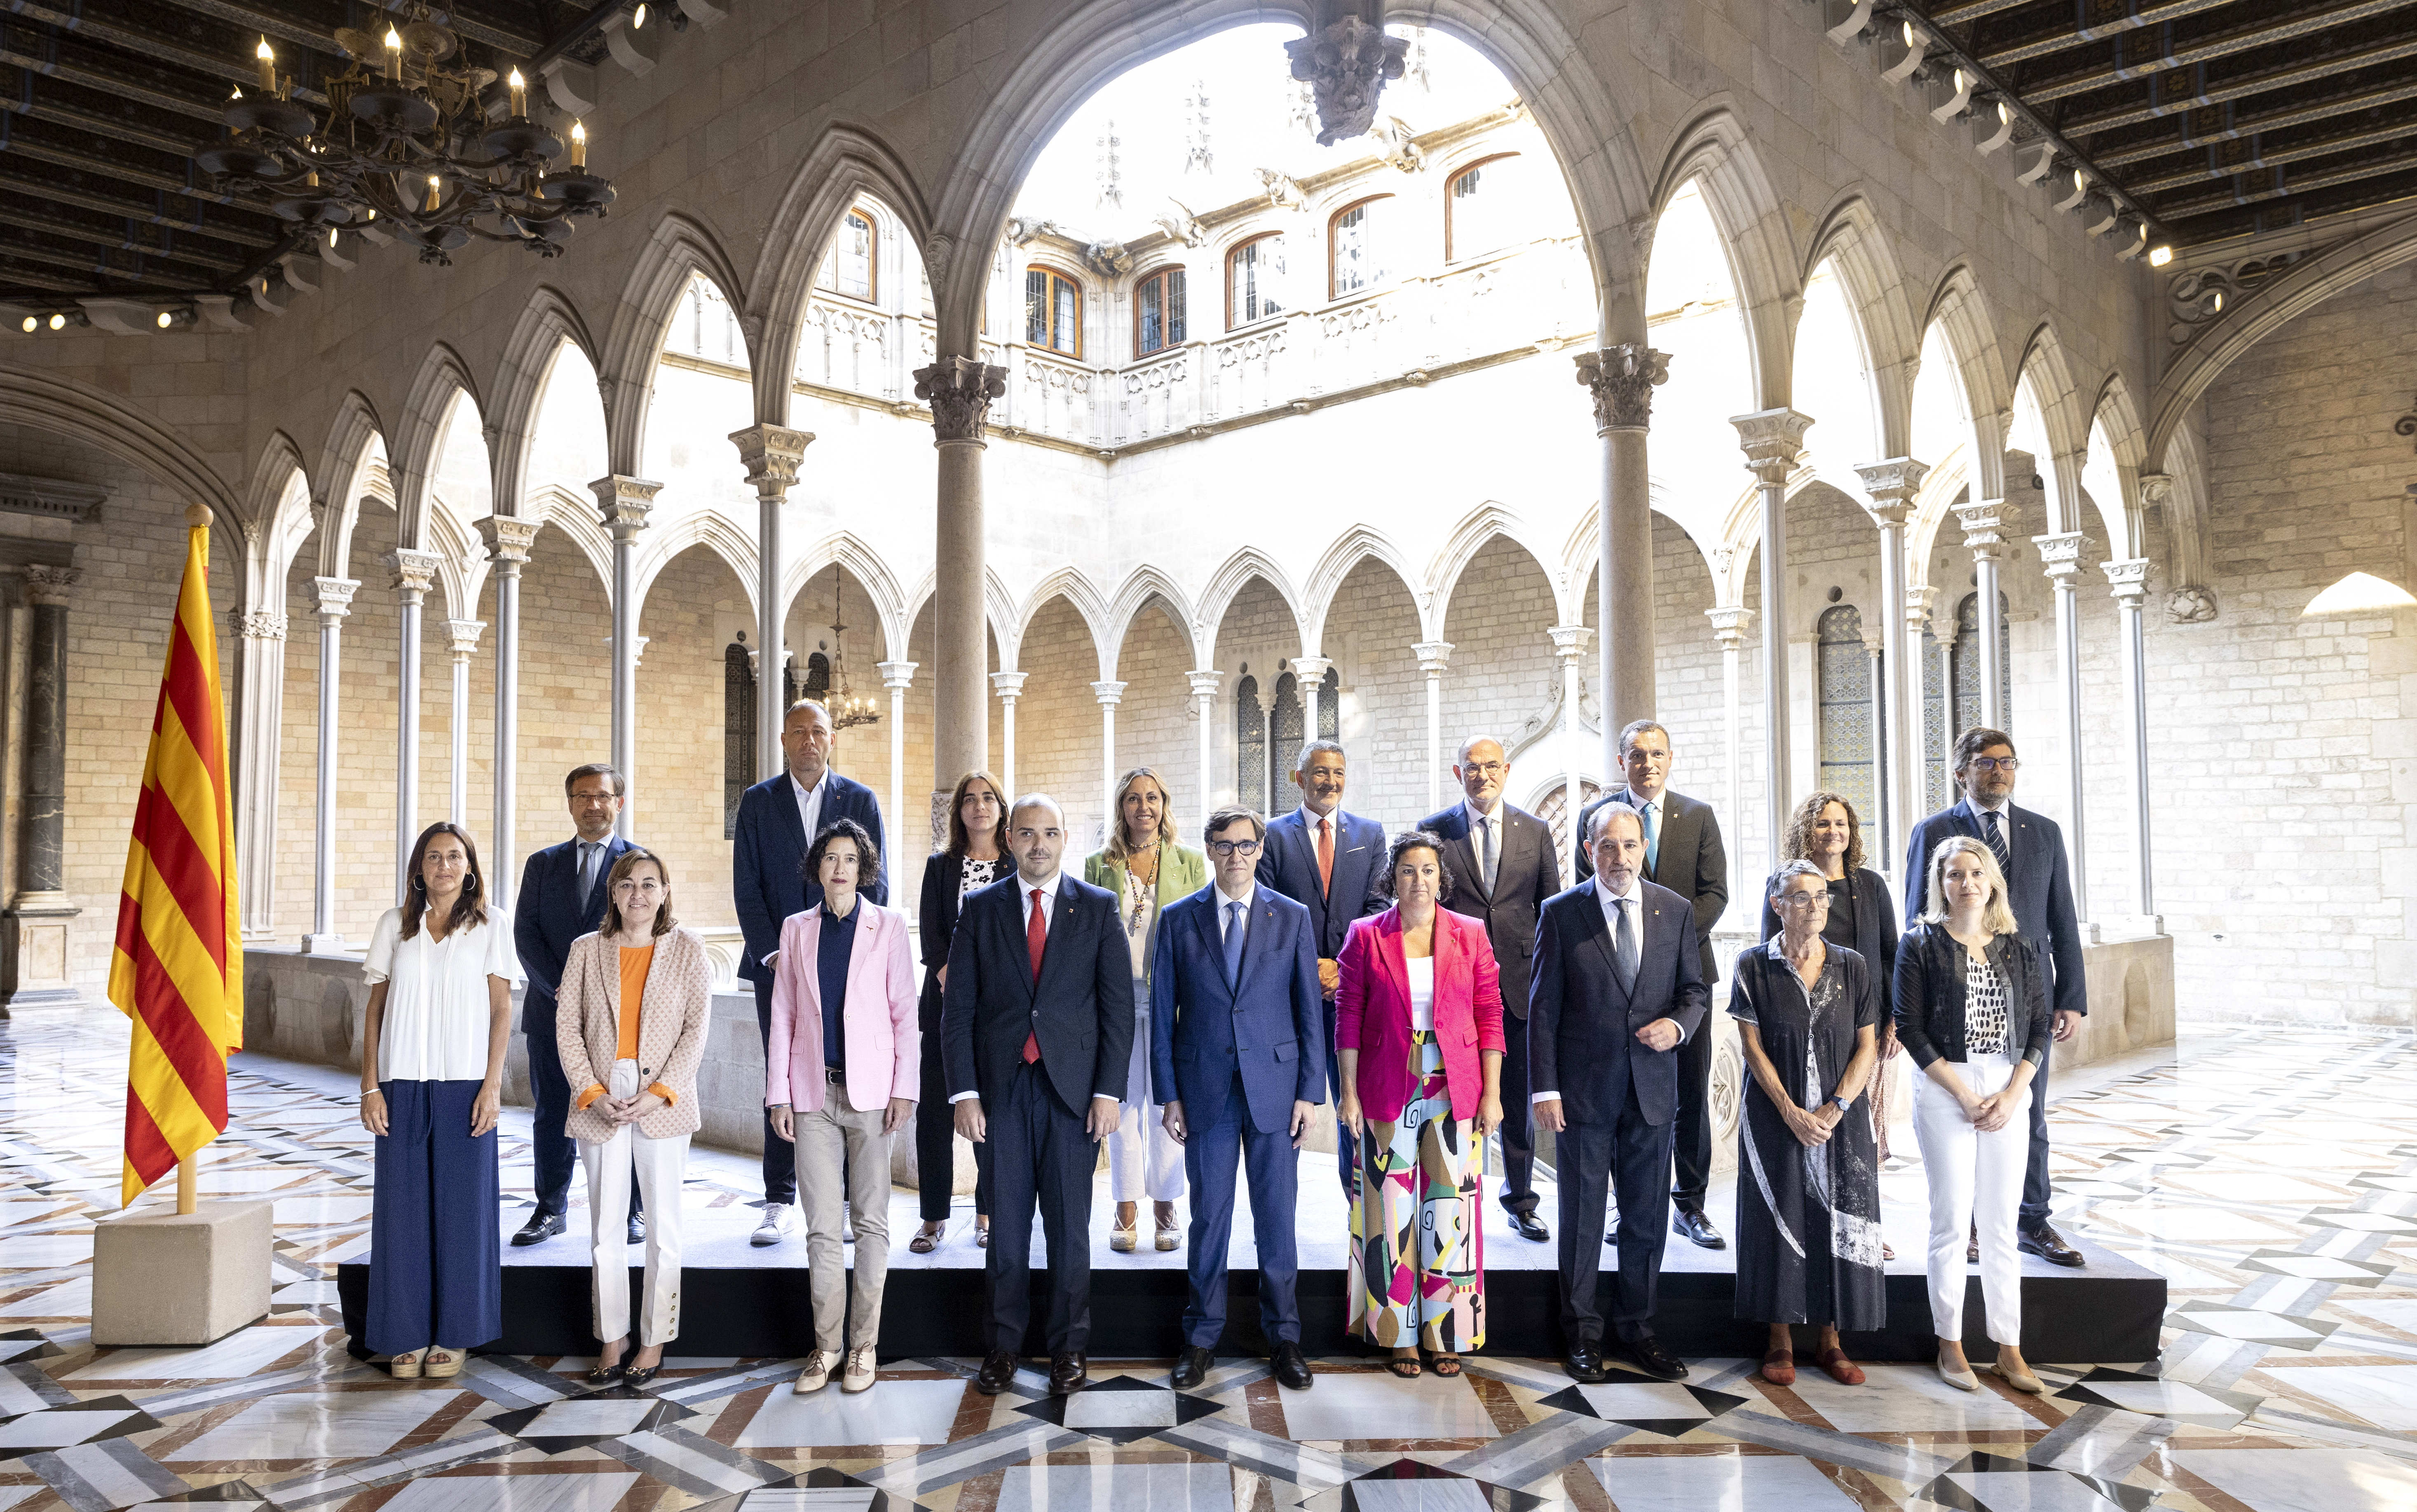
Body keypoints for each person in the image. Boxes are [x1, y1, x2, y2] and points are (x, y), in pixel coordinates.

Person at [943, 794, 1133, 1397]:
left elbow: (1117, 1011)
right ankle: (1002, 1346)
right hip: (1000, 1092)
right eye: (1026, 833)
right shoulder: (979, 909)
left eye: (1050, 833)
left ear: (1065, 836)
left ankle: (1069, 1348)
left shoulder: (1099, 909)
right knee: (1005, 1228)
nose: (1038, 845)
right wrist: (964, 1094)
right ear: (1009, 839)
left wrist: (1109, 1091)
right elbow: (959, 1011)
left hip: (1074, 1095)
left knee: (1071, 1229)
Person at [1531, 803, 1709, 1384]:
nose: (1620, 857)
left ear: (1643, 850)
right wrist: (1545, 1089)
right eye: (1607, 846)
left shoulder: (1674, 909)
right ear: (1589, 851)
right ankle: (1581, 1334)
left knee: (1645, 1219)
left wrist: (1678, 1026)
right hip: (1582, 1095)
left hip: (1652, 1093)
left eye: (1629, 846)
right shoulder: (1561, 913)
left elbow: (1694, 990)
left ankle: (1638, 1328)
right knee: (1582, 1220)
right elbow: (1542, 1011)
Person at [1152, 805, 1325, 1393]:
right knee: (1209, 1219)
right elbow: (1162, 1017)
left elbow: (1309, 1012)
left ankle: (1283, 1337)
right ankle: (1201, 1338)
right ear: (1208, 848)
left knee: (1277, 1220)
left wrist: (1309, 1090)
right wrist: (1167, 1094)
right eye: (1224, 844)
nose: (1235, 855)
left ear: (1259, 850)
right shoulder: (1178, 920)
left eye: (1245, 845)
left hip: (1276, 1091)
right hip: (1204, 1090)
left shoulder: (1292, 917)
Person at [1901, 728, 2085, 1269]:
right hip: (1956, 995)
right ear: (1961, 772)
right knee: (1962, 1111)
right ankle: (1974, 1223)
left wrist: (2070, 994)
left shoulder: (2044, 831)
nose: (1999, 771)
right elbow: (1918, 915)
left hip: (2028, 996)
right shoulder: (1935, 830)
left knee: (2027, 1108)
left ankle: (2032, 1218)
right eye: (1986, 762)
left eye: (2007, 762)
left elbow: (2062, 917)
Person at [1336, 831, 1506, 1379]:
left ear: (1441, 877)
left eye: (1428, 870)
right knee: (1391, 1212)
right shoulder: (1365, 936)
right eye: (1408, 870)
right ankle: (1398, 1333)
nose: (1419, 880)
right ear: (1392, 879)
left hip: (1456, 1086)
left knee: (1452, 1213)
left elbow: (1490, 1016)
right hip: (1388, 1083)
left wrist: (1494, 1093)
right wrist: (1348, 1094)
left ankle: (1448, 1332)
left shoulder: (1471, 933)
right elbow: (1348, 1020)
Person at [767, 819, 919, 1396]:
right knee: (821, 1227)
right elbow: (782, 1014)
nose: (839, 867)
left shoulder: (889, 926)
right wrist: (777, 1092)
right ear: (817, 866)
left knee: (871, 1220)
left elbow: (905, 1012)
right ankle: (827, 1346)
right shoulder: (796, 928)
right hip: (812, 1093)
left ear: (864, 868)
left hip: (874, 1094)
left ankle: (864, 1346)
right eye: (830, 857)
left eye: (850, 858)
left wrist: (906, 1087)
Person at [1895, 835, 2052, 1395]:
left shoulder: (2019, 947)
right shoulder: (1920, 944)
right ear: (1940, 882)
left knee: (2000, 1224)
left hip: (2008, 1085)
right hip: (1946, 1086)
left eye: (1976, 873)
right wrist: (1963, 1094)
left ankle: (2009, 1347)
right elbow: (1909, 1028)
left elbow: (2038, 1028)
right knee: (1951, 1219)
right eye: (1954, 874)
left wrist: (2013, 1094)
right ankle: (1951, 1343)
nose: (1966, 883)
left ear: (1992, 883)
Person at [359, 822, 515, 1380]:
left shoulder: (492, 925)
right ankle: (403, 1331)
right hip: (401, 1085)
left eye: (454, 856)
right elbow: (375, 1010)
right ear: (419, 868)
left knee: (463, 1215)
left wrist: (493, 1085)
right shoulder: (394, 927)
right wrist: (370, 1084)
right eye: (433, 856)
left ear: (470, 867)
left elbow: (502, 1011)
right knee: (401, 1215)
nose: (444, 865)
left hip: (466, 1086)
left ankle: (456, 1332)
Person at [554, 848, 712, 1388]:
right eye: (627, 884)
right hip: (602, 1095)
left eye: (649, 884)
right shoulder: (585, 950)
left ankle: (653, 1339)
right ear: (613, 894)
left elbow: (696, 1031)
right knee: (604, 1228)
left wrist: (661, 1091)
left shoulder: (690, 951)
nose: (638, 894)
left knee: (664, 1228)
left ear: (665, 892)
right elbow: (567, 1028)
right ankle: (612, 1336)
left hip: (661, 1099)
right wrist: (592, 1090)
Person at [735, 698, 887, 1247]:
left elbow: (876, 880)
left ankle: (845, 1203)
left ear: (831, 739)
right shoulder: (757, 802)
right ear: (783, 739)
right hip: (777, 966)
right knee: (782, 1073)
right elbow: (747, 888)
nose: (809, 740)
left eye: (818, 731)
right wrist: (773, 954)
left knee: (844, 1074)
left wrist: (850, 955)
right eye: (798, 731)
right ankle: (778, 1200)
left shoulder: (860, 799)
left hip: (844, 967)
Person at [1575, 721, 1730, 1251]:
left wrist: (1669, 943)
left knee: (1690, 1094)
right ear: (1622, 761)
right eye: (1637, 754)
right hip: (1616, 979)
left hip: (1685, 982)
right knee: (1622, 1098)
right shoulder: (1595, 819)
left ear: (1671, 757)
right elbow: (1587, 893)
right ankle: (1629, 1208)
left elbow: (1716, 893)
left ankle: (1691, 1204)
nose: (1648, 762)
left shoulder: (1699, 816)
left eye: (1658, 753)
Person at [1731, 861, 1884, 1388]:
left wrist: (1836, 1106)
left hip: (1842, 1116)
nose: (1816, 906)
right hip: (1776, 1115)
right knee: (1782, 1215)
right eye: (1801, 897)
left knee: (1838, 1218)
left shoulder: (1853, 965)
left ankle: (1831, 1340)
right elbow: (1751, 1047)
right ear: (1778, 905)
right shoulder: (1752, 965)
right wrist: (1791, 1111)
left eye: (1822, 896)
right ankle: (1779, 1339)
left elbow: (1868, 1046)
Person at [1419, 735, 1557, 1243]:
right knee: (1450, 1094)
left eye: (1492, 766)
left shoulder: (1537, 830)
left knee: (1516, 1101)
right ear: (1459, 774)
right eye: (1472, 768)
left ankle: (1521, 1202)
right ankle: (1449, 1197)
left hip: (1519, 987)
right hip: (1454, 986)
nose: (1483, 775)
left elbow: (1551, 912)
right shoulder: (1435, 830)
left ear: (1507, 771)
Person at [1760, 791, 1902, 1256]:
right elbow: (1768, 956)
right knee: (1808, 1127)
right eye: (1822, 824)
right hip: (1801, 1033)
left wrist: (1893, 1019)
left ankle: (1866, 1227)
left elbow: (1890, 954)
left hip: (1864, 1029)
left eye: (1840, 823)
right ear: (1807, 830)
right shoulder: (1782, 884)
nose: (1833, 832)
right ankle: (1810, 1221)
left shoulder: (1871, 886)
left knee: (1865, 1131)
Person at [512, 764, 641, 1249]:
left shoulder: (639, 863)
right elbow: (526, 934)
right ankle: (550, 1209)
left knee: (624, 1110)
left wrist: (600, 992)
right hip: (552, 1011)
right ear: (569, 803)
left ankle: (632, 1211)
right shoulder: (542, 864)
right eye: (582, 796)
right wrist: (561, 988)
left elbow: (649, 934)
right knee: (551, 1112)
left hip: (619, 1015)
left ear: (618, 804)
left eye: (603, 796)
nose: (593, 805)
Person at [1082, 766, 1207, 1253]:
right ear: (1122, 807)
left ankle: (1166, 1203)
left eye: (1152, 797)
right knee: (1122, 1104)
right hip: (1114, 1001)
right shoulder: (1099, 864)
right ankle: (1125, 1204)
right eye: (1133, 799)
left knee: (1166, 1104)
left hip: (1171, 1003)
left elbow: (1198, 938)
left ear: (1164, 804)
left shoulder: (1190, 862)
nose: (1144, 807)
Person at [1256, 740, 1388, 1198]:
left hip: (1352, 997)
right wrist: (1308, 966)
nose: (1330, 782)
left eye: (1338, 773)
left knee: (1355, 1109)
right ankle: (1277, 1220)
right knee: (1285, 1114)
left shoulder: (1370, 835)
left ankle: (1360, 1215)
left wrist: (1341, 965)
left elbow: (1377, 907)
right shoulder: (1271, 836)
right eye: (1319, 772)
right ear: (1299, 778)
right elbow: (1264, 907)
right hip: (1291, 998)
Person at [910, 770, 1007, 1255]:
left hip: (999, 1011)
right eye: (970, 799)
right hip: (944, 1006)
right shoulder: (941, 866)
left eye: (988, 797)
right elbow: (931, 933)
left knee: (989, 1109)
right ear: (960, 812)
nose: (979, 806)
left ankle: (987, 1213)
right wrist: (952, 981)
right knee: (933, 1112)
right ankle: (933, 1217)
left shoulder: (1014, 866)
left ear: (1000, 807)